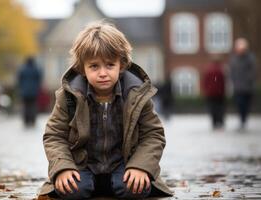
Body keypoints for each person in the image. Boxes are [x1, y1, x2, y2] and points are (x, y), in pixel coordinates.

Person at [38, 21, 173, 199]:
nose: (103, 73)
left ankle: (116, 184)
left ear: (121, 65)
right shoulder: (68, 96)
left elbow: (153, 134)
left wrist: (140, 166)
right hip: (82, 165)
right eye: (94, 66)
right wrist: (63, 168)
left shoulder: (136, 94)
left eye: (110, 65)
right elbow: (54, 135)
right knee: (72, 191)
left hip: (124, 164)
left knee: (135, 189)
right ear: (82, 68)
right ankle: (92, 185)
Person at [229, 38, 257, 131]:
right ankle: (242, 120)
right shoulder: (234, 59)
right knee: (239, 104)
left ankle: (244, 120)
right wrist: (233, 81)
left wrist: (249, 80)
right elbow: (231, 72)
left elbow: (253, 71)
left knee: (246, 105)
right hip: (238, 87)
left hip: (247, 87)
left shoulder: (250, 58)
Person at [202, 55, 226, 130]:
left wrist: (206, 90)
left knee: (212, 108)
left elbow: (205, 81)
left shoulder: (208, 69)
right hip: (219, 93)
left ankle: (214, 122)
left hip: (210, 93)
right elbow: (223, 82)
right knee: (220, 108)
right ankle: (220, 121)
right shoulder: (221, 70)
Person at [17, 56, 42, 127]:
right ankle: (33, 120)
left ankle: (26, 121)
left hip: (24, 92)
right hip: (34, 92)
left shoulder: (23, 69)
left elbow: (19, 80)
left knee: (26, 106)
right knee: (33, 106)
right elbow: (39, 79)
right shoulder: (36, 69)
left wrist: (21, 88)